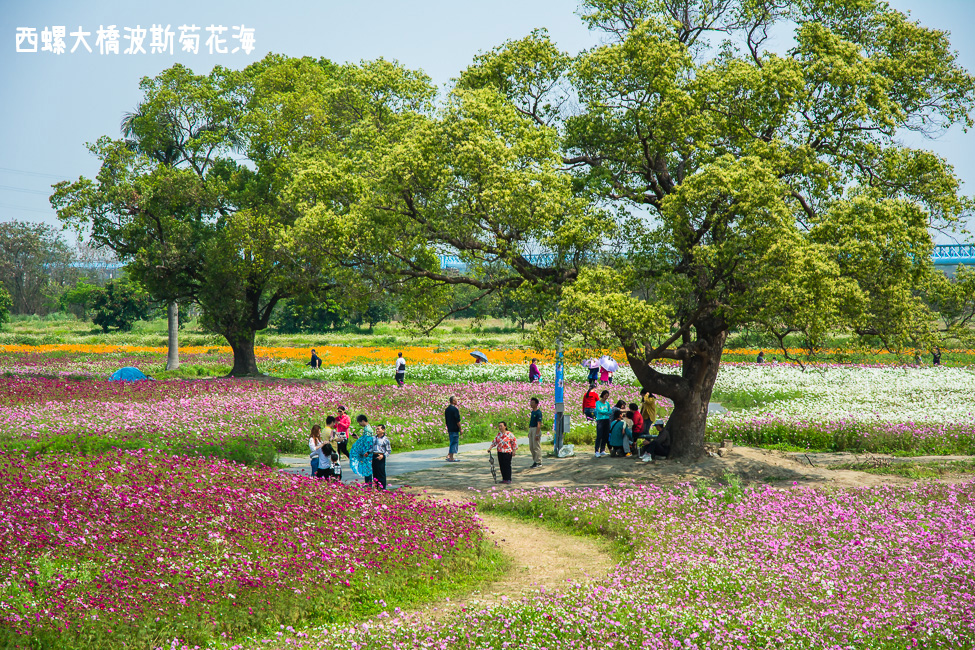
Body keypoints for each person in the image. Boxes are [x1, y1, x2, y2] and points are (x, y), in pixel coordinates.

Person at [371, 424, 392, 489]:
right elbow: (371, 447)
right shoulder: (373, 438)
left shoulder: (385, 439)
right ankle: (376, 487)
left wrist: (383, 456)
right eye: (376, 429)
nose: (377, 430)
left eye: (378, 429)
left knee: (381, 473)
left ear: (383, 430)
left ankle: (383, 488)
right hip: (374, 455)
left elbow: (388, 450)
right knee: (375, 473)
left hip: (381, 456)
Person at [594, 390, 612, 458]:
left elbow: (610, 411)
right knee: (599, 435)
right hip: (600, 420)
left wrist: (605, 412)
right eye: (605, 395)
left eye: (607, 396)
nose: (606, 397)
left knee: (605, 435)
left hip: (607, 420)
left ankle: (602, 450)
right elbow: (599, 410)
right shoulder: (598, 403)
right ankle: (596, 450)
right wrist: (606, 412)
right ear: (603, 395)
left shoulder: (607, 403)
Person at [445, 395, 462, 462]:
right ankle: (451, 458)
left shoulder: (447, 409)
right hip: (454, 428)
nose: (457, 401)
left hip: (449, 428)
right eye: (456, 400)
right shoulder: (455, 409)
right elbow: (458, 420)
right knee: (454, 443)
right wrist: (460, 428)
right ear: (453, 401)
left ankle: (449, 455)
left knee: (451, 441)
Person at [528, 397, 544, 468]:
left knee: (536, 446)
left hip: (535, 429)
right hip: (531, 429)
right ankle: (535, 460)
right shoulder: (532, 412)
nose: (531, 404)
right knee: (531, 447)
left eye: (533, 403)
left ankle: (538, 461)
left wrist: (537, 434)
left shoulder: (538, 413)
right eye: (531, 402)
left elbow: (539, 424)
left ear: (537, 404)